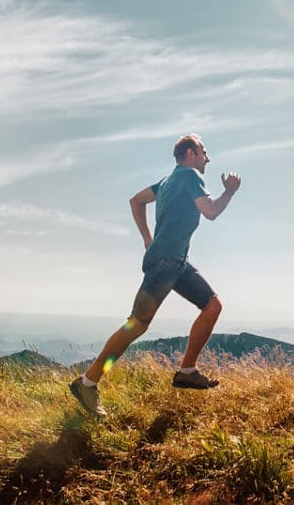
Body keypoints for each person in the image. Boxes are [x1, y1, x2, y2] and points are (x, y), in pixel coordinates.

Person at [69, 134, 241, 417]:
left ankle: (186, 370)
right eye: (204, 152)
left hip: (176, 263)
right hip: (165, 263)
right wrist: (230, 192)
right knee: (137, 324)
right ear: (190, 153)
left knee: (212, 305)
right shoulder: (189, 176)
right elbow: (210, 211)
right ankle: (87, 382)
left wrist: (148, 239)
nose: (207, 158)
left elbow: (136, 201)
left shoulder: (167, 181)